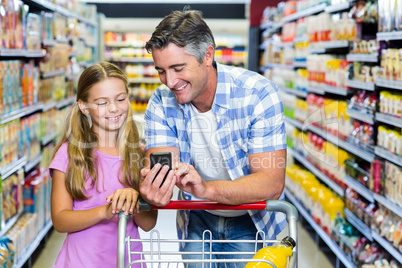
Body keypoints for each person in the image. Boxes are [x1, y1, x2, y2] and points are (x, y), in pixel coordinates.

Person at [139, 8, 287, 266]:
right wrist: (153, 188)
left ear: (207, 56)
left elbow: (271, 183)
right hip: (196, 217)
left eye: (177, 68)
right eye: (161, 71)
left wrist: (206, 189)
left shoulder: (257, 94)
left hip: (252, 219)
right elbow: (162, 166)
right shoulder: (161, 103)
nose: (169, 82)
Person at [50, 62, 157, 268]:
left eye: (121, 99)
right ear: (84, 106)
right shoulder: (70, 153)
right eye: (101, 102)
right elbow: (60, 220)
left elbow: (149, 223)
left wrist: (134, 201)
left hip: (128, 262)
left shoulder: (139, 155)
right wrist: (106, 211)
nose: (114, 108)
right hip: (80, 263)